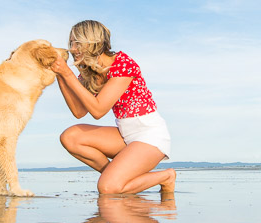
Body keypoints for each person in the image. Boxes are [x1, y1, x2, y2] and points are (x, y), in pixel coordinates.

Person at [51, 20, 175, 195]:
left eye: (77, 43)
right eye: (71, 43)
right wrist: (59, 75)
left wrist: (67, 73)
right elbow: (79, 112)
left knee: (108, 188)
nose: (72, 49)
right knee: (70, 137)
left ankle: (166, 177)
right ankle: (117, 175)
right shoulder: (89, 71)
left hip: (149, 135)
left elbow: (98, 110)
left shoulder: (123, 64)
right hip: (124, 134)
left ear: (92, 42)